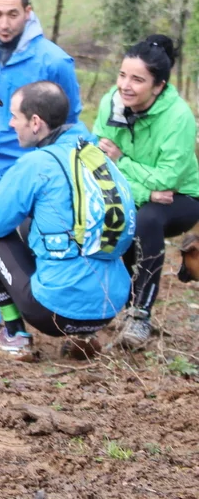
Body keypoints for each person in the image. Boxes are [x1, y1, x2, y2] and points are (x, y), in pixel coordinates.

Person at [0, 81, 135, 361]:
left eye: (14, 116)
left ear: (35, 122)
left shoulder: (37, 163)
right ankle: (85, 336)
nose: (11, 124)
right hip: (108, 308)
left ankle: (14, 334)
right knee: (43, 226)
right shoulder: (97, 156)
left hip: (52, 313)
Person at [0, 0, 82, 326]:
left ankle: (45, 304)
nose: (5, 23)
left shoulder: (54, 60)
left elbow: (71, 115)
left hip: (34, 166)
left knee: (34, 236)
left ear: (28, 12)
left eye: (13, 14)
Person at [92, 35, 199, 349]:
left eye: (137, 80)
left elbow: (167, 179)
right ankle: (110, 306)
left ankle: (140, 315)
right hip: (138, 192)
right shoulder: (111, 102)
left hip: (181, 198)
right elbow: (97, 160)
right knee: (117, 213)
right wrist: (144, 190)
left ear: (158, 86)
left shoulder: (179, 117)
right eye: (122, 75)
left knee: (147, 219)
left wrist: (121, 160)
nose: (125, 86)